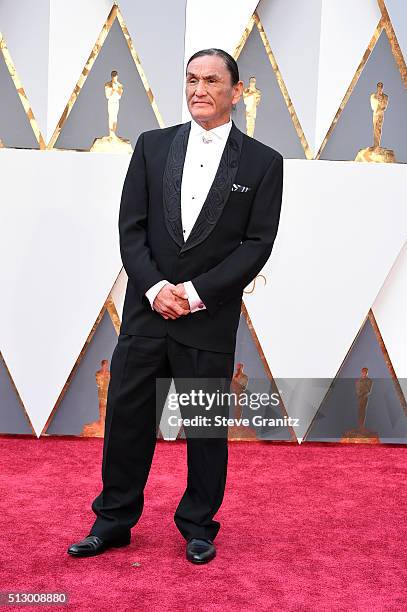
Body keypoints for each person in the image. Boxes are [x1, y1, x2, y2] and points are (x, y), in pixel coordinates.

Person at [67, 48, 284, 564]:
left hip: (207, 319)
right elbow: (131, 229)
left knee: (206, 429)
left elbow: (257, 245)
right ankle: (114, 520)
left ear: (234, 90)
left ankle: (198, 526)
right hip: (146, 312)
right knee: (126, 418)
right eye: (191, 79)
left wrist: (194, 293)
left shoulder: (263, 163)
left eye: (211, 81)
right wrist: (155, 289)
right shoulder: (151, 146)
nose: (199, 90)